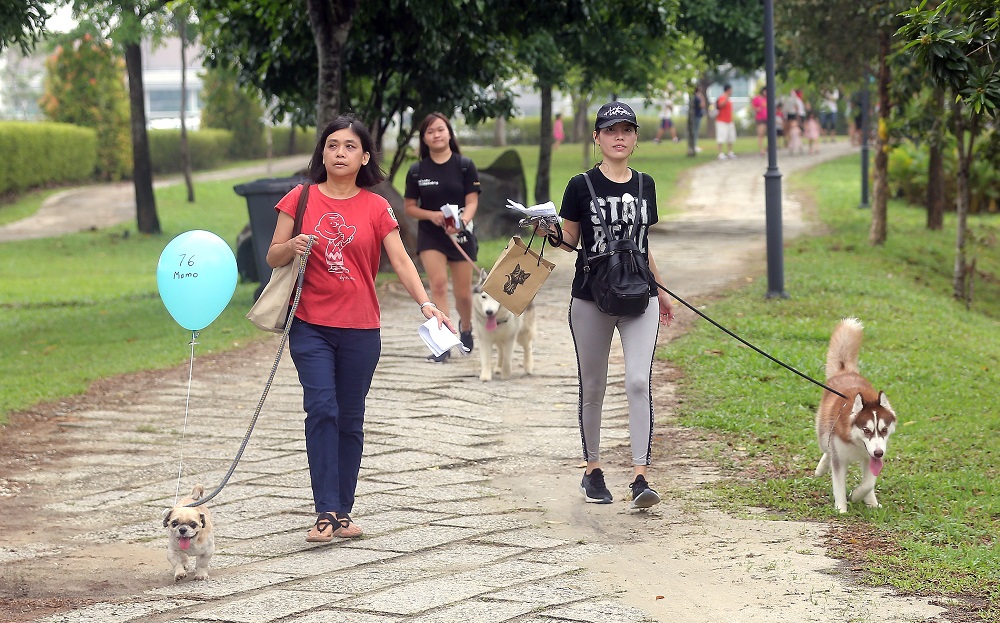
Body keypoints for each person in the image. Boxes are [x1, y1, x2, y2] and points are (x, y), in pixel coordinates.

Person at [266, 114, 456, 543]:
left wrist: (427, 304)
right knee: (322, 410)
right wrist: (291, 246)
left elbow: (403, 260)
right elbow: (272, 256)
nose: (339, 153)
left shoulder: (376, 207)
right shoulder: (300, 198)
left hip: (360, 329)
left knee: (350, 418)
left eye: (349, 147)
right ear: (322, 153)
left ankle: (344, 510)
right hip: (310, 325)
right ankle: (324, 511)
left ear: (364, 156)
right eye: (332, 145)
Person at [541, 101, 675, 509]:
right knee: (594, 385)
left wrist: (662, 290)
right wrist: (547, 230)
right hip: (591, 296)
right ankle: (593, 469)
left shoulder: (645, 185)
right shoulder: (580, 185)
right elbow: (569, 241)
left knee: (637, 381)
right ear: (596, 137)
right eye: (611, 130)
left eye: (627, 130)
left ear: (635, 138)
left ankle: (640, 476)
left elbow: (642, 245)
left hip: (639, 295)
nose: (620, 137)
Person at [404, 113, 481, 363]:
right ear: (424, 138)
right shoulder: (417, 171)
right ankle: (444, 341)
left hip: (460, 235)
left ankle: (466, 327)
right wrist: (433, 216)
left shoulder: (465, 165)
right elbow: (410, 207)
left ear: (449, 133)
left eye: (440, 130)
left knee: (463, 294)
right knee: (437, 285)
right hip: (430, 235)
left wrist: (463, 221)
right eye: (430, 132)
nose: (436, 135)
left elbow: (472, 201)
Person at [715, 83, 736, 160]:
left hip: (729, 121)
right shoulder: (722, 97)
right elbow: (721, 105)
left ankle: (730, 152)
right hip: (721, 121)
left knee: (731, 137)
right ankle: (720, 153)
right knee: (721, 137)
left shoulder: (729, 99)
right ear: (728, 90)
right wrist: (726, 97)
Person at [751, 86, 768, 156]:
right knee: (761, 134)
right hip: (760, 119)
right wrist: (756, 109)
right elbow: (752, 106)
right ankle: (761, 149)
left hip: (768, 118)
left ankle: (766, 148)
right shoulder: (757, 98)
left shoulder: (767, 99)